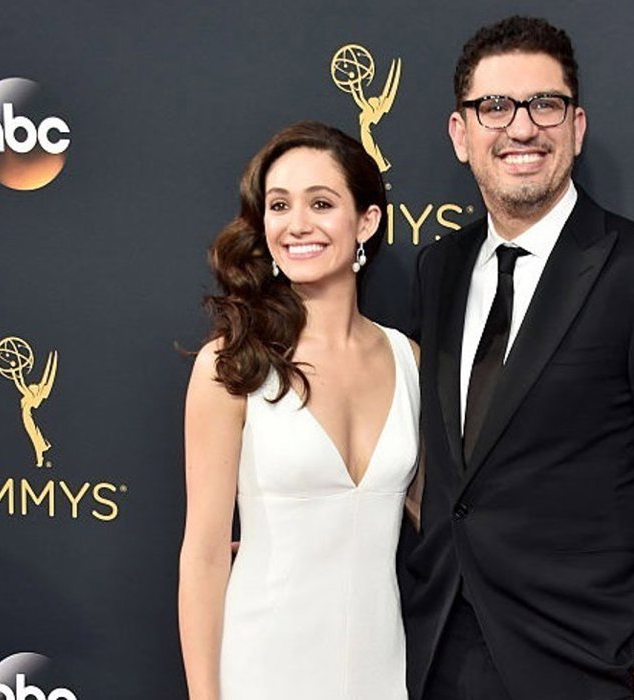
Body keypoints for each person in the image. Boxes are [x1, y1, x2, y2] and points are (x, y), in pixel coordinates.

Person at [405, 17, 634, 700]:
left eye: (544, 104)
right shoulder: (439, 267)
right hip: (437, 651)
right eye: (494, 106)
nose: (521, 128)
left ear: (576, 126)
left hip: (585, 660)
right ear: (461, 135)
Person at [178, 121, 420, 700]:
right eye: (279, 205)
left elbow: (444, 517)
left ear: (366, 221)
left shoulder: (407, 358)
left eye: (321, 202)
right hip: (263, 669)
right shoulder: (232, 364)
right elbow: (206, 556)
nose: (297, 224)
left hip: (381, 671)